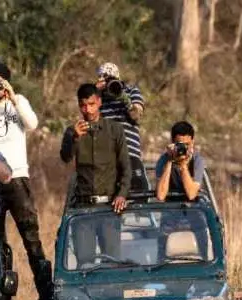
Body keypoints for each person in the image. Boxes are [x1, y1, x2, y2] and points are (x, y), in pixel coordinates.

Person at [0, 60, 55, 300]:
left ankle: (47, 296)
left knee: (31, 239)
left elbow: (32, 124)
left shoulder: (17, 100)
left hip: (18, 178)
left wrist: (12, 96)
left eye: (1, 81)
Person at [60, 83, 131, 268]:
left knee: (113, 263)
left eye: (91, 104)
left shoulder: (115, 130)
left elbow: (126, 167)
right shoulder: (72, 131)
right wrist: (74, 138)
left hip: (109, 207)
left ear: (99, 102)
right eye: (83, 105)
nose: (88, 110)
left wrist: (122, 194)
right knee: (85, 264)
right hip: (83, 208)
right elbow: (65, 158)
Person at [95, 62, 148, 193]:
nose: (108, 83)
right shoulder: (98, 98)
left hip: (130, 154)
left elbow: (136, 115)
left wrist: (122, 97)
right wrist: (95, 92)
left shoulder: (131, 91)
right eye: (104, 78)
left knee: (138, 195)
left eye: (110, 78)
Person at [154, 121, 207, 202]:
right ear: (172, 142)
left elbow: (191, 194)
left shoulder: (197, 160)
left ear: (193, 142)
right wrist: (169, 161)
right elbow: (160, 196)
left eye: (187, 144)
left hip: (193, 209)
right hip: (172, 209)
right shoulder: (164, 159)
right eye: (180, 145)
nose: (183, 149)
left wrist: (183, 165)